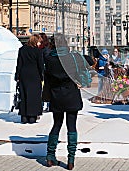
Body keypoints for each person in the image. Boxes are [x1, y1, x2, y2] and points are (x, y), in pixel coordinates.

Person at [44, 34, 83, 169]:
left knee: (56, 124)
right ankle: (71, 160)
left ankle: (50, 156)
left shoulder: (49, 59)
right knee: (71, 126)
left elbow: (47, 79)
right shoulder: (72, 57)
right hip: (71, 95)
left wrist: (46, 96)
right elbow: (79, 72)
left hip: (56, 96)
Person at [14, 34, 44, 124]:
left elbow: (19, 64)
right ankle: (32, 116)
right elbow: (40, 65)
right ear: (36, 41)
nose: (39, 43)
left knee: (23, 95)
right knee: (34, 97)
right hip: (35, 76)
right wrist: (42, 76)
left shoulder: (22, 50)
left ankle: (24, 116)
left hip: (23, 75)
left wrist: (17, 76)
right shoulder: (38, 51)